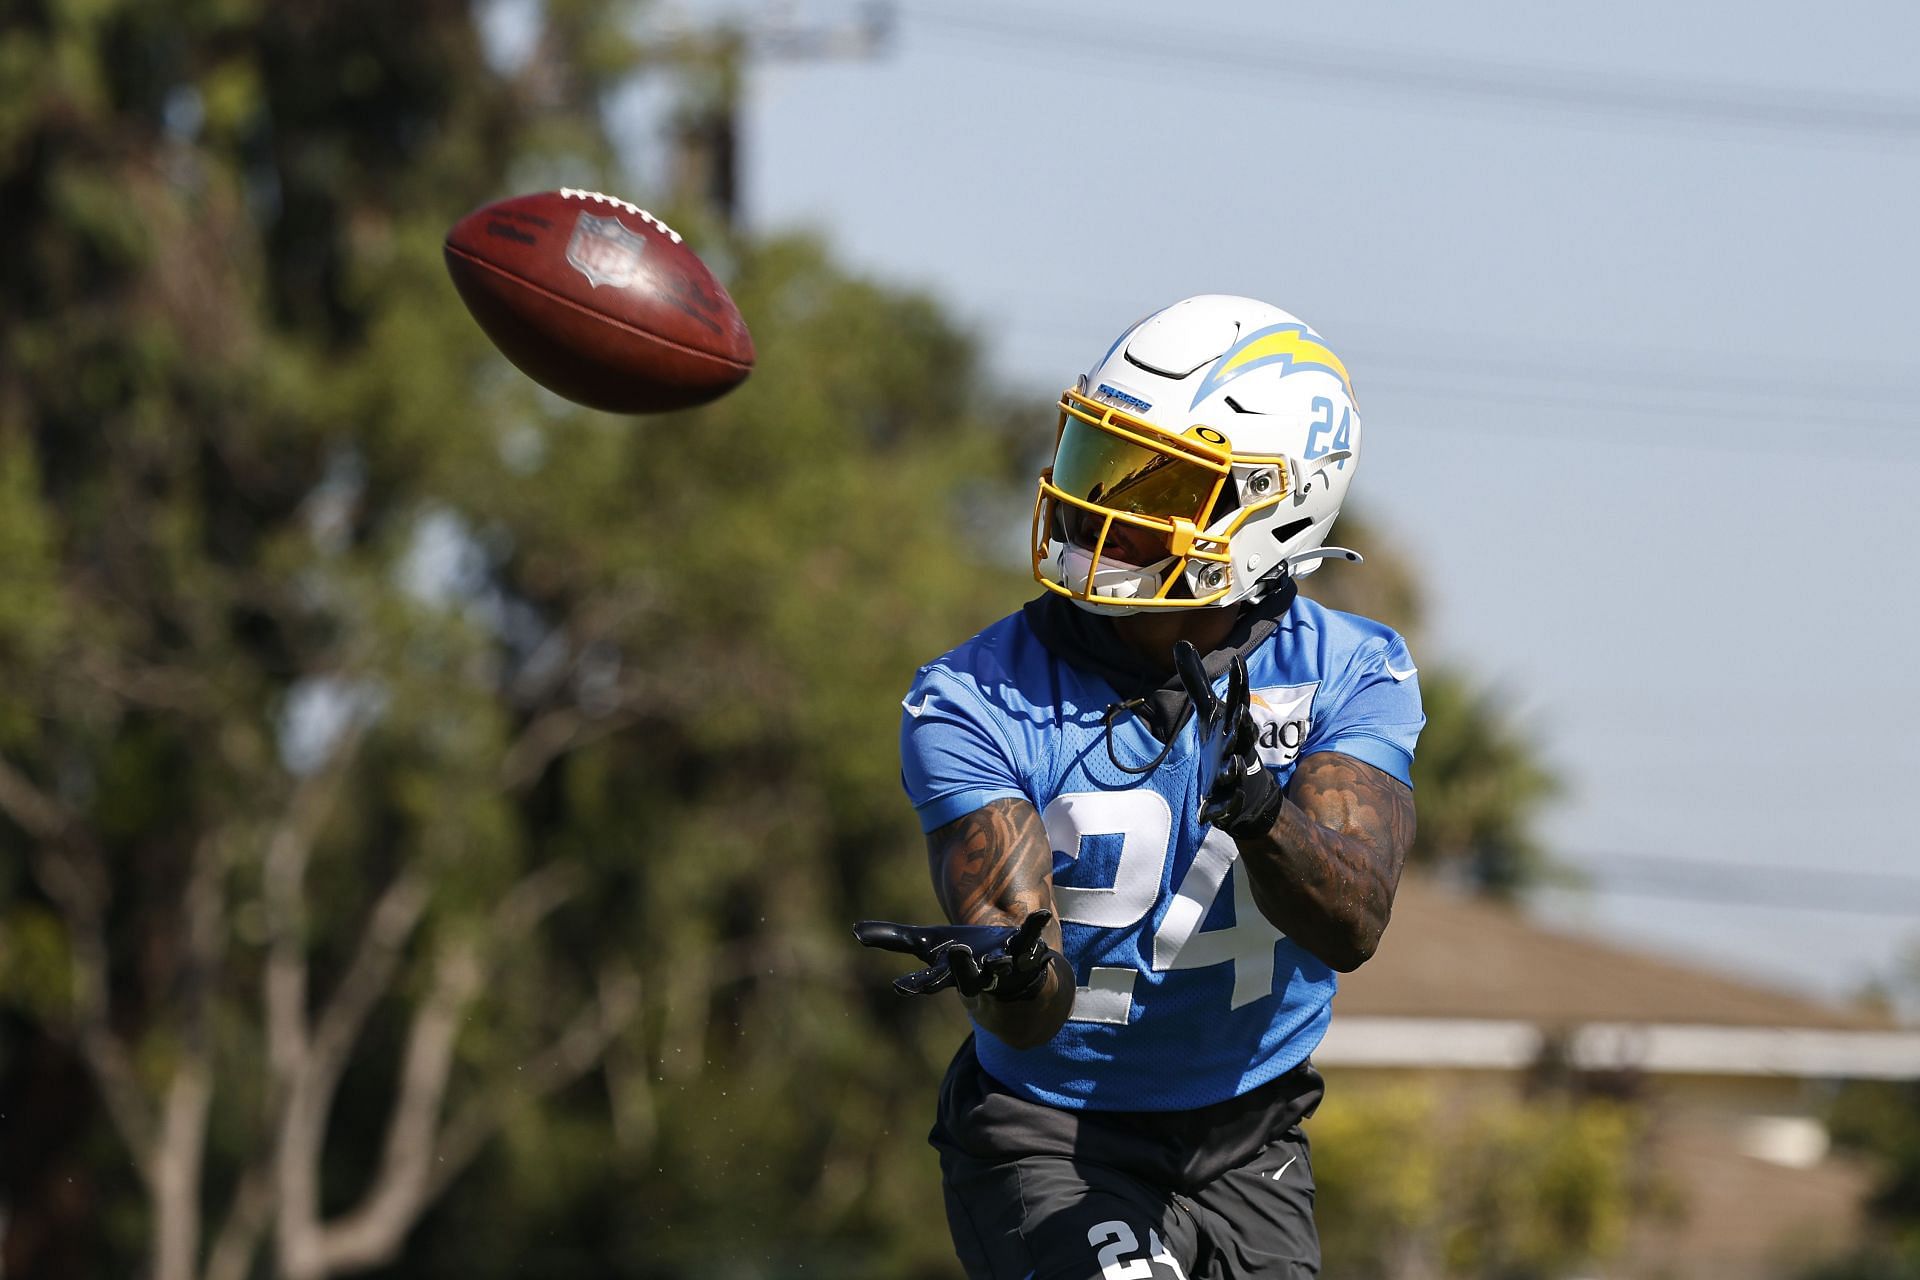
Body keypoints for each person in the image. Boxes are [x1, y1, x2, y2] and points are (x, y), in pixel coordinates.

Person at [855, 295, 1424, 1280]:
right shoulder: (971, 698)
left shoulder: (1350, 669)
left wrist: (1259, 807)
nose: (1101, 507)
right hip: (1050, 1129)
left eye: (1163, 483)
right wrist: (1013, 973)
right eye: (1102, 462)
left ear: (1273, 504)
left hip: (1252, 1130)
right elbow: (1033, 1000)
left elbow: (1353, 920)